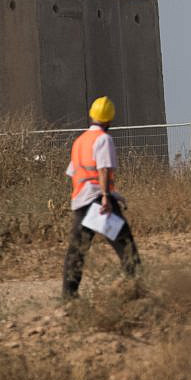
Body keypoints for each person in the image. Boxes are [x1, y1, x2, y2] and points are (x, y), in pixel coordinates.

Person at [61, 96, 141, 299]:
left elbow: (74, 172)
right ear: (110, 119)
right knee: (125, 245)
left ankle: (68, 296)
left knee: (77, 251)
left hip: (81, 202)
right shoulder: (103, 139)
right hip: (100, 203)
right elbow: (102, 169)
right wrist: (106, 197)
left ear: (92, 115)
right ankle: (137, 287)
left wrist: (113, 194)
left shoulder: (80, 141)